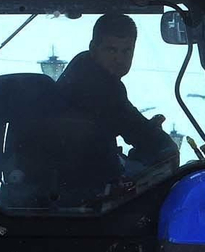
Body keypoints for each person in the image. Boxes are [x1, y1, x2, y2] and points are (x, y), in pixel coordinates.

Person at [54, 13, 179, 192]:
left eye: (126, 51)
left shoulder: (83, 70)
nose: (119, 60)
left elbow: (128, 122)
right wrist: (164, 146)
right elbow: (132, 125)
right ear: (94, 49)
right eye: (111, 50)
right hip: (81, 186)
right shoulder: (96, 85)